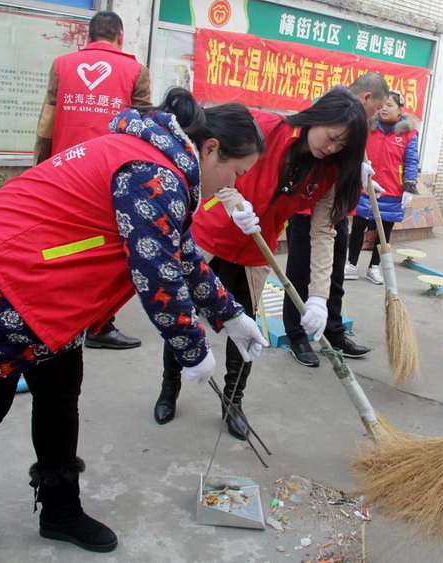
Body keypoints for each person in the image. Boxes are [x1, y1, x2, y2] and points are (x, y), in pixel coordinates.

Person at [0, 88, 267, 559]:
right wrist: (192, 349)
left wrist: (229, 314)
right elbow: (157, 274)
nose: (235, 183)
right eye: (237, 172)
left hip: (45, 289)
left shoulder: (161, 164)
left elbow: (177, 250)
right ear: (210, 149)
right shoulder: (154, 172)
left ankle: (60, 509)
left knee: (60, 397)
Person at [153, 89, 368, 439]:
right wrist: (235, 202)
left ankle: (233, 401)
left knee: (245, 332)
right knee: (185, 317)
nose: (331, 149)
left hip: (255, 255)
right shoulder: (266, 128)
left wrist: (318, 297)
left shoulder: (329, 172)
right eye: (331, 138)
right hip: (209, 242)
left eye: (341, 146)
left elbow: (323, 233)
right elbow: (216, 164)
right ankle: (169, 386)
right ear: (318, 115)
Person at [35, 10, 151, 350]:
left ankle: (50, 316)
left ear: (87, 37)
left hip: (63, 171)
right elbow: (143, 129)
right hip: (110, 175)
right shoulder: (136, 71)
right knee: (102, 249)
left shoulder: (61, 65)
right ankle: (99, 326)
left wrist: (40, 168)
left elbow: (47, 122)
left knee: (58, 241)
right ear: (120, 36)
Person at [285, 74, 389, 368]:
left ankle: (334, 331)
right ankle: (297, 336)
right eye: (378, 108)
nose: (376, 115)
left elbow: (347, 159)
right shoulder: (329, 106)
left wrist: (361, 170)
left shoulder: (356, 126)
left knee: (334, 274)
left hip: (337, 208)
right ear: (367, 98)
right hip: (307, 208)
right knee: (300, 274)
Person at [346, 89, 419, 286]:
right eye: (383, 105)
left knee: (383, 231)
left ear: (400, 109)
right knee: (359, 226)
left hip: (391, 190)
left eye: (390, 106)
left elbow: (412, 161)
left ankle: (374, 267)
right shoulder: (369, 126)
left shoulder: (408, 133)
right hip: (366, 186)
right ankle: (351, 264)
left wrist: (409, 187)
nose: (384, 109)